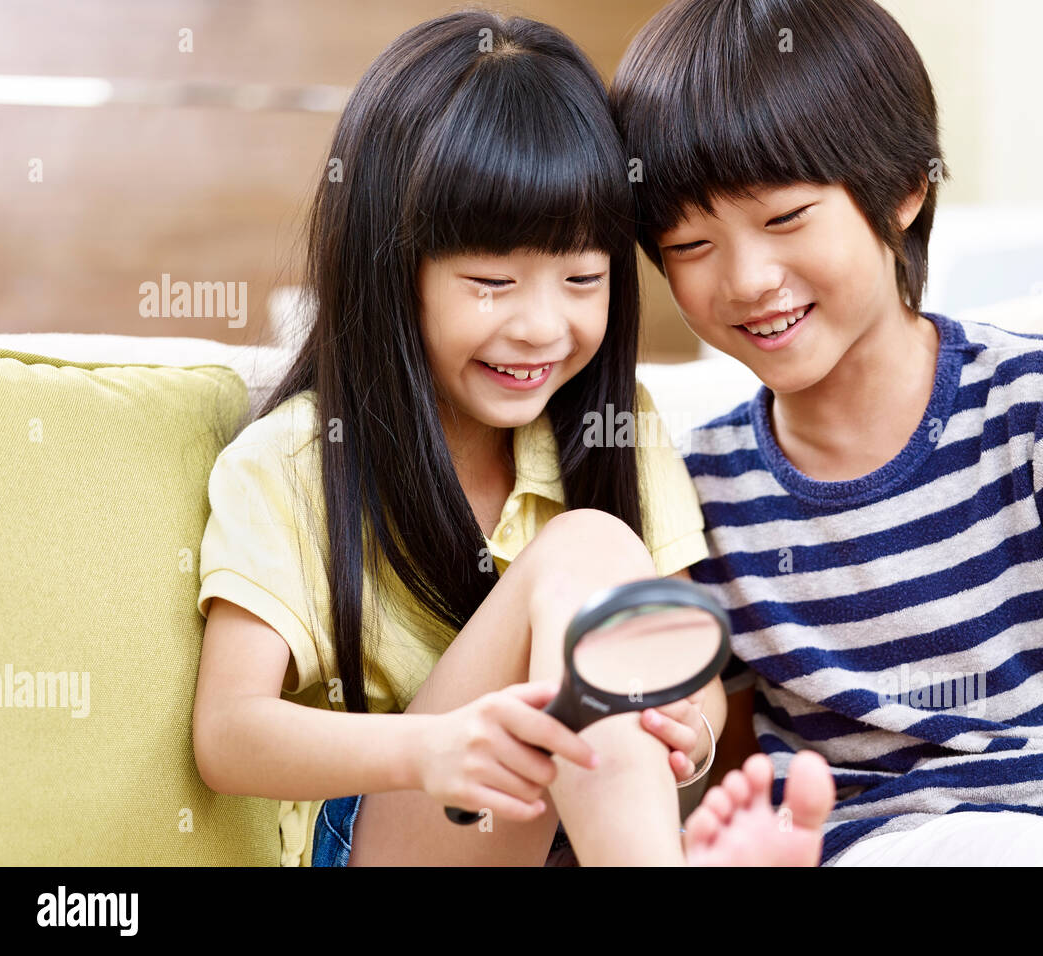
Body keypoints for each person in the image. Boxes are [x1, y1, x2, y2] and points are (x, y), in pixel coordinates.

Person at [610, 0, 1043, 866]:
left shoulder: (1041, 402)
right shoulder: (701, 486)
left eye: (784, 220)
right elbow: (739, 766)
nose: (746, 279)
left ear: (903, 189)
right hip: (888, 837)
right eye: (691, 244)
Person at [190, 9, 834, 868]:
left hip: (579, 835)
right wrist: (433, 749)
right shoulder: (299, 462)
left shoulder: (617, 429)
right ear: (392, 269)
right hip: (391, 829)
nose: (541, 326)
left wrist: (693, 728)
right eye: (492, 283)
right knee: (586, 549)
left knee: (603, 601)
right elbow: (228, 733)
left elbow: (699, 683)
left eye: (581, 279)